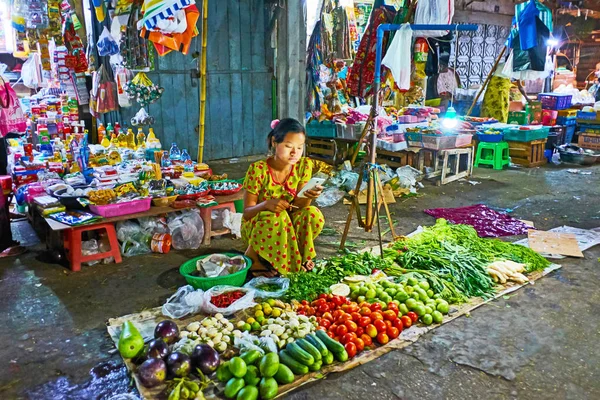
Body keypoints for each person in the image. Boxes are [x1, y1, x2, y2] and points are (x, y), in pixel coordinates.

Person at [242, 118, 324, 276]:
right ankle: (254, 258)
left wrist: (309, 195)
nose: (295, 153)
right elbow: (247, 212)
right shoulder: (258, 170)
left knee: (312, 214)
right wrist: (266, 204)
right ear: (274, 142)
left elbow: (300, 208)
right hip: (260, 225)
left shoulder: (303, 166)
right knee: (277, 217)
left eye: (300, 148)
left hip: (287, 223)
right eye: (288, 146)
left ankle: (300, 255)